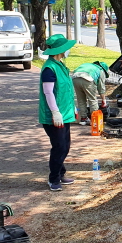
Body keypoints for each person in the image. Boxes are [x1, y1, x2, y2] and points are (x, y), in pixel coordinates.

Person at [39, 34, 77, 191]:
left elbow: (66, 89)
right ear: (60, 50)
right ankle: (53, 179)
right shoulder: (49, 68)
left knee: (65, 145)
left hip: (65, 113)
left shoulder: (60, 65)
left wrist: (73, 108)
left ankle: (60, 173)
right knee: (59, 146)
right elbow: (48, 93)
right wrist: (55, 112)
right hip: (54, 116)